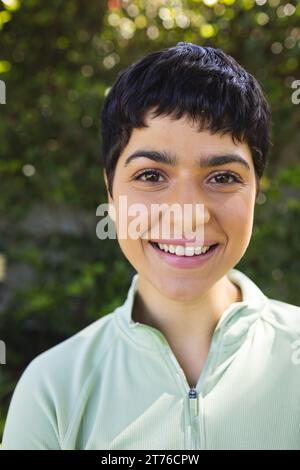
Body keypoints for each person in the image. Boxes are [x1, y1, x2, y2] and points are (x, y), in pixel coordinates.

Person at [2, 43, 300, 450]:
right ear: (111, 192)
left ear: (255, 192)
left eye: (223, 177)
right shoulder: (53, 389)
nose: (187, 214)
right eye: (151, 175)